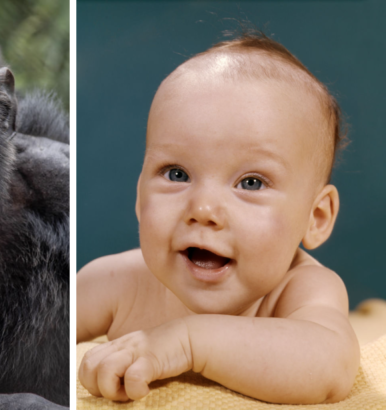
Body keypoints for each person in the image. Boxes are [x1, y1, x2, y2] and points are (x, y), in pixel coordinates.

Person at [77, 33, 360, 405]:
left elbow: (330, 368)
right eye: (177, 174)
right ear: (139, 196)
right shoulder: (112, 283)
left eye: (251, 183)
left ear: (316, 216)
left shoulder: (302, 290)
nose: (203, 210)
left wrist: (188, 342)